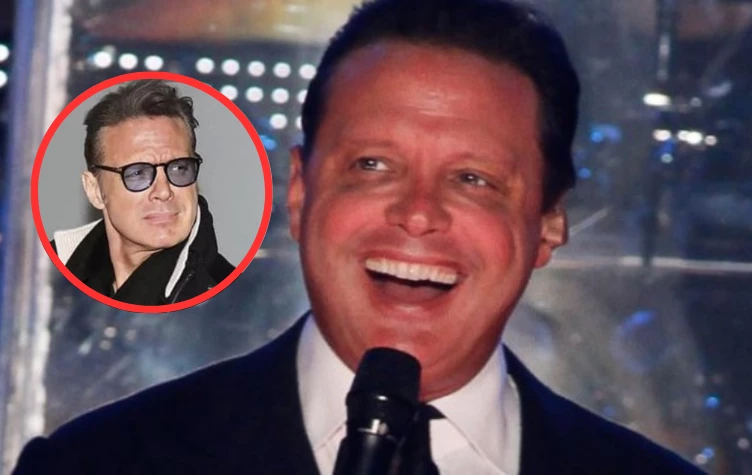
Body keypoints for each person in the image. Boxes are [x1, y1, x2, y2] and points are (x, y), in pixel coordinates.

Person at [15, 0, 704, 473]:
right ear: (300, 191)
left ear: (549, 222)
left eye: (473, 179)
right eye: (373, 166)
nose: (418, 213)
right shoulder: (98, 464)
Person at [48, 79, 234, 305]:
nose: (163, 191)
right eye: (137, 173)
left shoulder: (236, 303)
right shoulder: (42, 282)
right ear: (94, 190)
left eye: (179, 168)